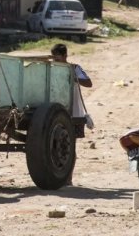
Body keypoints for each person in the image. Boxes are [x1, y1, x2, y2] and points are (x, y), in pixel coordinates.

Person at [51, 43, 94, 186]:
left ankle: (68, 178)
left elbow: (88, 83)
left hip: (74, 113)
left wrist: (74, 78)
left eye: (58, 59)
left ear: (65, 56)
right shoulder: (50, 69)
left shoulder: (75, 68)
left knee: (69, 146)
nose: (56, 62)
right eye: (54, 59)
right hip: (55, 112)